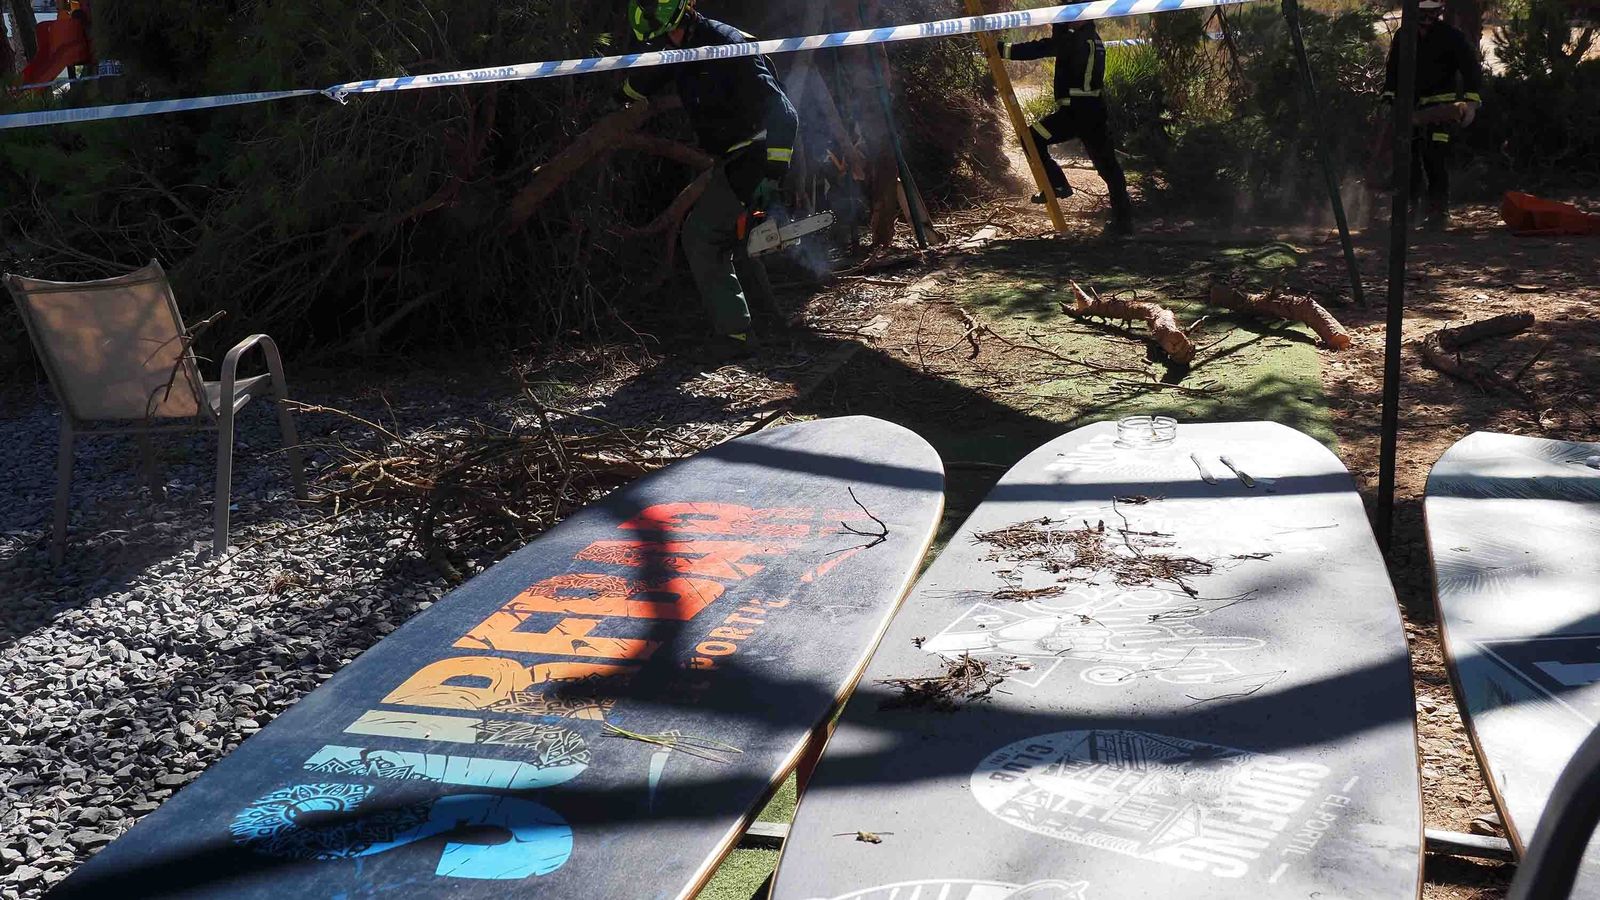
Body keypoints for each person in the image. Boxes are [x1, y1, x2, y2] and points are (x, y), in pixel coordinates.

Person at [618, 0, 798, 359]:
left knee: (701, 237)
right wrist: (620, 93)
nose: (666, 41)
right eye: (661, 37)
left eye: (668, 33)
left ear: (685, 15)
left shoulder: (725, 45)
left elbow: (785, 114)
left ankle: (735, 337)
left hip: (756, 154)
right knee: (737, 240)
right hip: (734, 158)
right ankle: (770, 325)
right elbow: (647, 79)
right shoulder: (683, 48)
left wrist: (771, 179)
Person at [997, 21, 1134, 237]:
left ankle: (1058, 185)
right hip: (1092, 111)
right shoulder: (1092, 39)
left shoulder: (1075, 40)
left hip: (1077, 112)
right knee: (1108, 167)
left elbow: (1040, 48)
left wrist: (1002, 50)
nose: (1059, 22)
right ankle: (1123, 220)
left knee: (1031, 138)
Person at [1381, 0, 1482, 230]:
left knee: (1435, 157)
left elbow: (1470, 69)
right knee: (1410, 158)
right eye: (1422, 14)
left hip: (1442, 112)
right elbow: (1393, 72)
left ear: (1439, 12)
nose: (1426, 20)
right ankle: (1411, 207)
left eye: (1431, 14)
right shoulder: (1403, 36)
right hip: (1410, 111)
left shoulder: (1451, 37)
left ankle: (1439, 211)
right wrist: (1388, 99)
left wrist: (1471, 103)